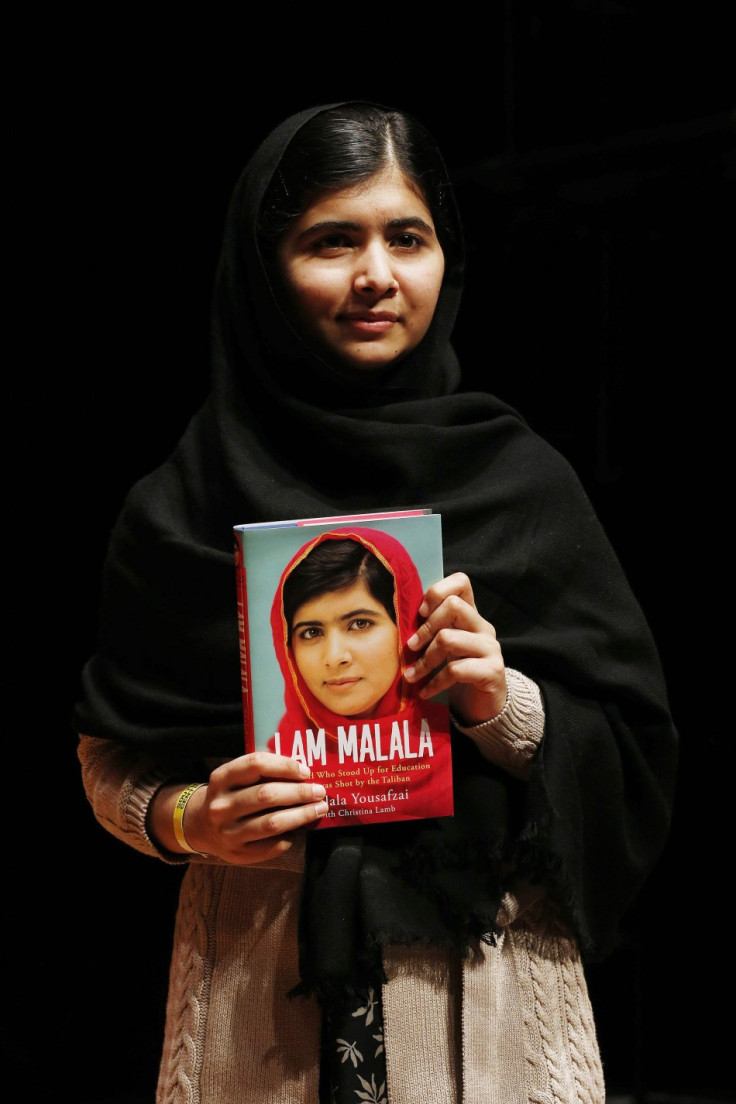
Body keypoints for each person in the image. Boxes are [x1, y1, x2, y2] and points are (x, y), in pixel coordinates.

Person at [74, 101, 678, 1103]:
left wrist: (499, 704)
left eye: (407, 237)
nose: (375, 275)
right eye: (329, 241)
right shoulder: (184, 504)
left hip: (488, 1030)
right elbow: (110, 752)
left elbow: (632, 757)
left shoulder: (520, 484)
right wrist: (188, 818)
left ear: (446, 259)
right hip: (254, 1017)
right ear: (263, 266)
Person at [268, 528, 454, 826]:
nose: (335, 657)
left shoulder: (463, 729)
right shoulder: (271, 772)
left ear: (403, 624)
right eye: (311, 632)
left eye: (360, 623)